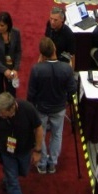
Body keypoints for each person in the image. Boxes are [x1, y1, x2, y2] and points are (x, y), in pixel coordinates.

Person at [0, 92, 43, 194]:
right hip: (6, 151)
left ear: (12, 108)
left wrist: (38, 151)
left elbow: (39, 129)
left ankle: (6, 179)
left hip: (24, 150)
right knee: (13, 180)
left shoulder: (28, 109)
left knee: (23, 172)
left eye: (2, 113)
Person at [27, 38, 76, 174]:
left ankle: (42, 164)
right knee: (57, 134)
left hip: (41, 108)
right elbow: (72, 90)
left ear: (41, 53)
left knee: (40, 135)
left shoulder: (37, 69)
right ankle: (52, 164)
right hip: (59, 107)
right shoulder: (66, 68)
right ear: (54, 49)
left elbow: (31, 93)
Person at [0, 11, 22, 96]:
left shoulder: (16, 33)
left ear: (8, 25)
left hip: (11, 69)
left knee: (11, 94)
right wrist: (4, 70)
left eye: (2, 25)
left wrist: (15, 69)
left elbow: (18, 51)